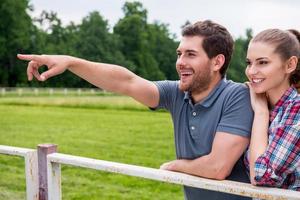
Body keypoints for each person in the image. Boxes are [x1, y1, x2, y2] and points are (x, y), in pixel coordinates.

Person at [18, 20, 253, 199]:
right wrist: (71, 62)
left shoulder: (237, 96)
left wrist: (173, 166)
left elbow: (217, 167)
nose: (180, 61)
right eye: (179, 53)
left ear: (217, 62)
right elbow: (126, 81)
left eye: (191, 54)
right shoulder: (177, 93)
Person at [244, 28, 300, 191]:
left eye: (263, 62)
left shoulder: (296, 110)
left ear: (290, 64)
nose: (251, 71)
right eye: (249, 63)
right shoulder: (250, 101)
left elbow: (260, 176)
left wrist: (261, 112)